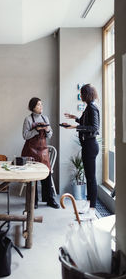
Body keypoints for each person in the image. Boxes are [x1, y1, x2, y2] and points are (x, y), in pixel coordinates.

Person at [62, 84, 100, 220]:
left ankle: (92, 210)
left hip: (90, 145)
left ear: (86, 94)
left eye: (82, 93)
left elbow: (94, 127)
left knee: (91, 178)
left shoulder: (92, 107)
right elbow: (87, 122)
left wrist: (75, 126)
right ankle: (88, 204)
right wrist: (75, 118)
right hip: (88, 145)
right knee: (90, 178)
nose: (81, 96)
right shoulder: (89, 107)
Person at [21, 97, 59, 209]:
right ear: (33, 107)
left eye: (41, 104)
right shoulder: (28, 119)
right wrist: (35, 130)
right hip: (31, 150)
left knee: (46, 174)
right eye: (38, 105)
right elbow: (25, 136)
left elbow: (50, 134)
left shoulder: (45, 118)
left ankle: (50, 200)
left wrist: (47, 130)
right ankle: (34, 201)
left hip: (43, 150)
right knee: (33, 175)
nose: (41, 106)